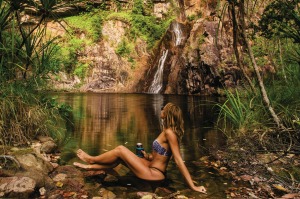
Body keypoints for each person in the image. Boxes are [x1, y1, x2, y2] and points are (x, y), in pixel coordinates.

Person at [73, 103, 207, 194]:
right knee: (119, 158)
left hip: (154, 174)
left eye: (163, 109)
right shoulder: (166, 131)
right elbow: (162, 157)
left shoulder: (170, 133)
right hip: (150, 166)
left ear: (167, 114)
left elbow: (178, 160)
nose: (161, 110)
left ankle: (91, 159)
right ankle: (91, 167)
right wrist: (147, 156)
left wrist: (193, 186)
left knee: (120, 149)